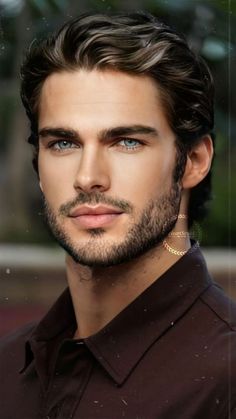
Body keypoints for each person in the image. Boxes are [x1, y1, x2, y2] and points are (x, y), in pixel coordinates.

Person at [0, 11, 235, 419]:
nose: (88, 177)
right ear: (39, 165)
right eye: (63, 143)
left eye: (126, 142)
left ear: (194, 160)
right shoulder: (7, 366)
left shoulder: (226, 379)